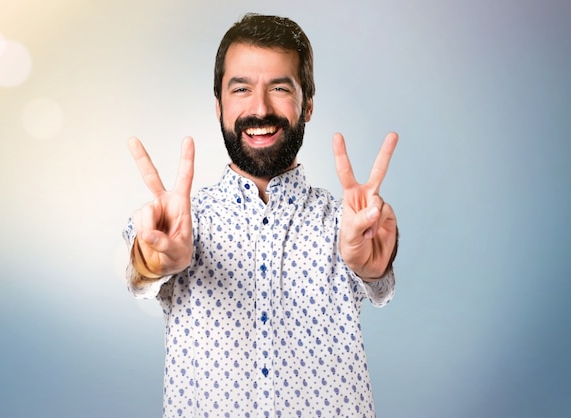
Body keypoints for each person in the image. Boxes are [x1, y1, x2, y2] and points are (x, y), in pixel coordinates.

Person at [123, 13, 399, 418]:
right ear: (218, 106)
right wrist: (154, 262)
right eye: (241, 89)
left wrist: (373, 270)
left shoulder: (350, 225)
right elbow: (139, 278)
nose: (260, 107)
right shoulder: (176, 224)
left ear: (307, 106)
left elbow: (380, 287)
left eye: (279, 88)